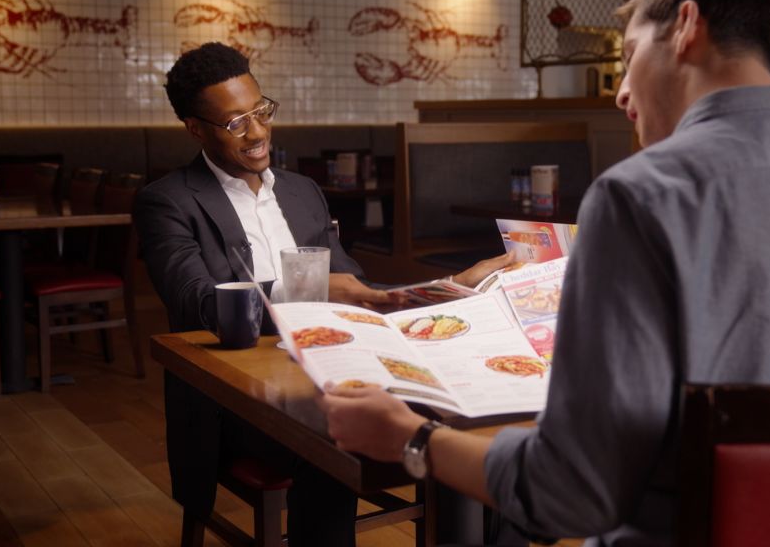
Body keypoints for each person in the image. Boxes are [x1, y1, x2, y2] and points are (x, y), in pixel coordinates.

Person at [318, 0, 770, 546]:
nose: (621, 92)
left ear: (685, 27)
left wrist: (410, 437)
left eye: (628, 56)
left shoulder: (639, 196)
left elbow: (572, 494)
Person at [134, 41, 508, 545]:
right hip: (237, 395)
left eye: (261, 110)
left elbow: (356, 289)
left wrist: (446, 289)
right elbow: (198, 304)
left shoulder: (300, 190)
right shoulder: (167, 202)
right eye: (235, 122)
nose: (258, 132)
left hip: (335, 364)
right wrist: (301, 287)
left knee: (471, 419)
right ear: (196, 129)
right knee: (332, 440)